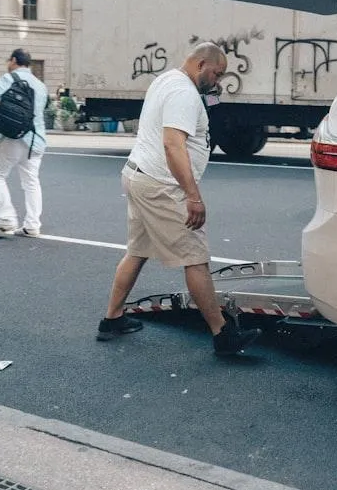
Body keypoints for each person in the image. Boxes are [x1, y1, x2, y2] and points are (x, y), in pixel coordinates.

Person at [96, 43, 261, 356]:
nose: (218, 81)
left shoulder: (166, 80)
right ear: (201, 64)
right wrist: (192, 196)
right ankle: (222, 334)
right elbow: (173, 146)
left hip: (139, 175)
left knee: (137, 251)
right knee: (194, 257)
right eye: (216, 73)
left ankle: (112, 318)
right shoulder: (184, 93)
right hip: (160, 185)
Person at [0, 49, 47, 238]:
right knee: (31, 182)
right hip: (37, 139)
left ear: (13, 60)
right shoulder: (40, 85)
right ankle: (32, 226)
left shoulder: (9, 78)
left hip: (12, 137)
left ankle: (6, 221)